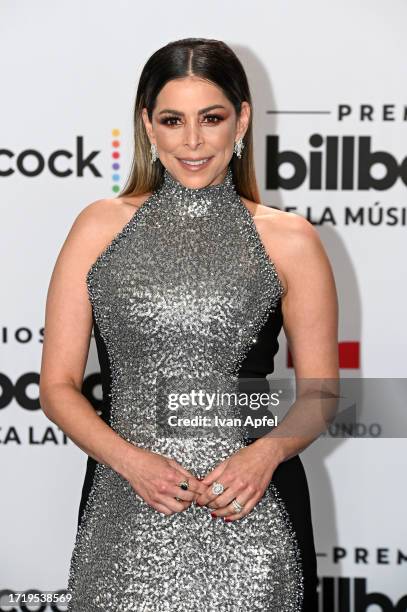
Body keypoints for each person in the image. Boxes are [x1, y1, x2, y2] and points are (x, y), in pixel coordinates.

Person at [39, 37, 339, 611]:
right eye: (173, 120)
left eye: (212, 118)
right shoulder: (99, 227)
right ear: (148, 125)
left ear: (242, 119)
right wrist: (132, 462)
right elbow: (56, 387)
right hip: (127, 511)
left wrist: (265, 456)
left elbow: (322, 393)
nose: (193, 141)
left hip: (254, 512)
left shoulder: (290, 239)